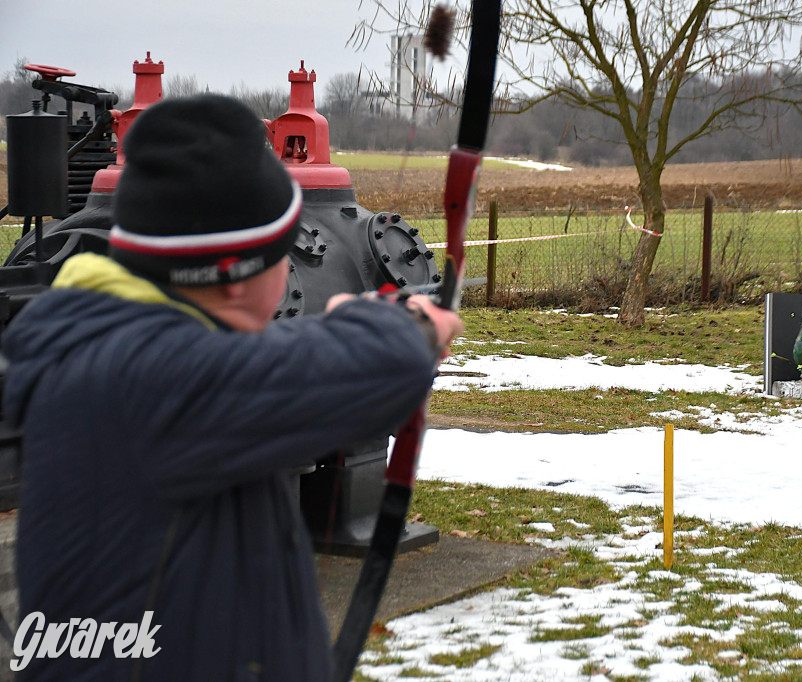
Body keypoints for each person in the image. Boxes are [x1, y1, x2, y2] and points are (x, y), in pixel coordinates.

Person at [1, 94, 462, 681]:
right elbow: (355, 368)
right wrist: (407, 326)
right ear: (242, 275)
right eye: (282, 251)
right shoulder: (146, 382)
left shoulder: (105, 344)